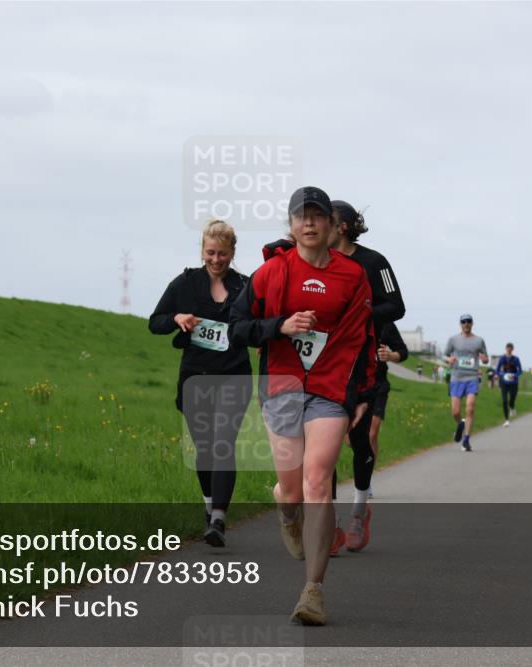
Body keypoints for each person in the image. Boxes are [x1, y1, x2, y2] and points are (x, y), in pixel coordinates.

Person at [230, 186, 376, 626]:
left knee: (318, 482)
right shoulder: (271, 272)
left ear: (332, 225)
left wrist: (363, 394)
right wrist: (280, 326)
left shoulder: (353, 276)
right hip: (282, 387)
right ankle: (285, 506)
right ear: (291, 225)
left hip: (330, 390)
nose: (309, 223)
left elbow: (362, 340)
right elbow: (238, 327)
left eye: (317, 216)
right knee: (293, 490)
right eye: (301, 216)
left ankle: (313, 591)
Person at [148, 220, 252, 547]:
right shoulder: (185, 283)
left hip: (234, 375)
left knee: (223, 444)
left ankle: (219, 518)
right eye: (210, 252)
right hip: (196, 376)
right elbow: (155, 322)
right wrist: (176, 318)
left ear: (232, 253)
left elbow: (257, 325)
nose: (216, 259)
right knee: (205, 448)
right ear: (202, 251)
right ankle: (210, 507)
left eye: (222, 253)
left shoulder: (245, 287)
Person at [326, 200, 407, 555]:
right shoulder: (316, 261)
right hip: (326, 365)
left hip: (363, 366)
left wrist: (360, 315)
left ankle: (359, 510)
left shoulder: (375, 262)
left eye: (324, 220)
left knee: (360, 441)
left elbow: (397, 307)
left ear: (342, 226)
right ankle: (328, 524)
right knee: (325, 445)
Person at [444, 314, 489, 451]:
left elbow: (486, 358)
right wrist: (449, 360)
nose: (466, 324)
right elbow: (444, 355)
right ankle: (460, 423)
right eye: (464, 322)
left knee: (470, 408)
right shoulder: (453, 339)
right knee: (455, 411)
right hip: (456, 377)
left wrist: (484, 359)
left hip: (472, 377)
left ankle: (466, 440)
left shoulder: (479, 341)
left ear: (472, 323)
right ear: (460, 324)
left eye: (469, 321)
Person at [495, 342, 522, 426]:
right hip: (504, 382)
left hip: (514, 382)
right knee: (504, 401)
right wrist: (501, 374)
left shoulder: (516, 359)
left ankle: (512, 407)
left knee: (512, 399)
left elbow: (520, 371)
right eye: (507, 348)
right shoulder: (502, 358)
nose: (509, 350)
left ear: (512, 349)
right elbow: (497, 370)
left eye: (510, 349)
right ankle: (506, 420)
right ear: (506, 349)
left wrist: (514, 375)